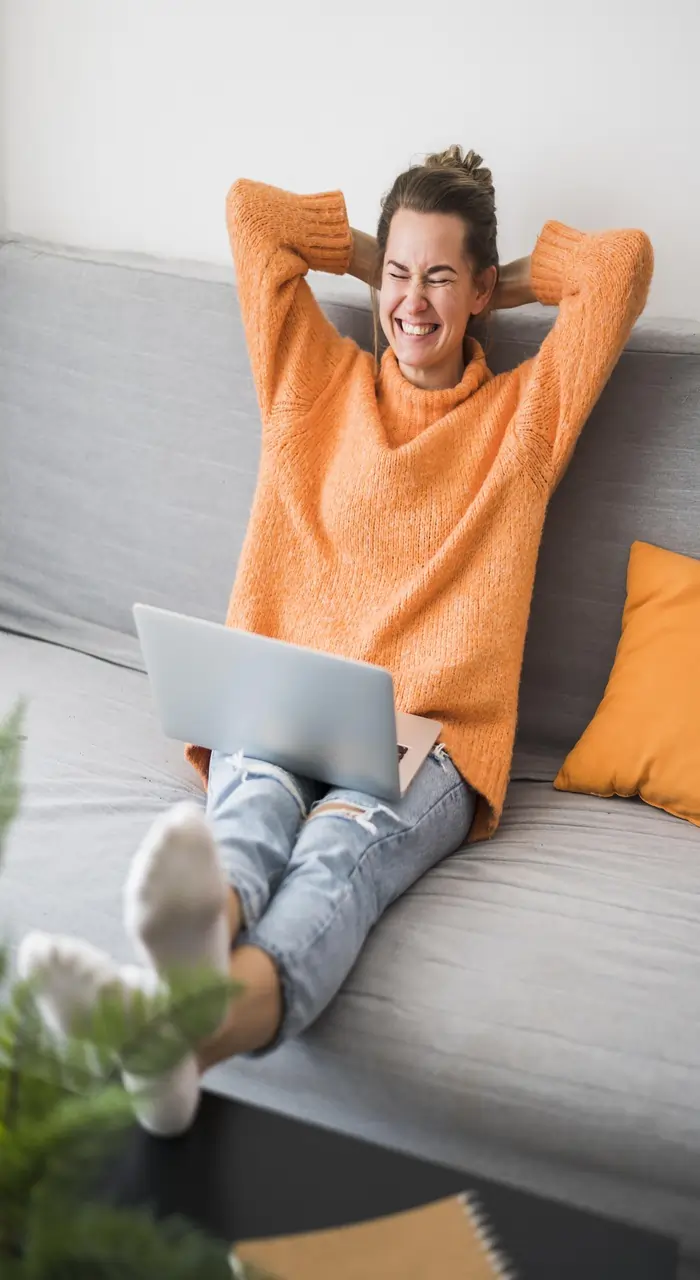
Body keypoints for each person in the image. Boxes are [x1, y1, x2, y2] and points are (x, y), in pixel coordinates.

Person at [18, 146, 653, 1137]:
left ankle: (181, 1033)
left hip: (432, 733)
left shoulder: (521, 422)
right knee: (253, 814)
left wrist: (492, 278)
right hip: (277, 705)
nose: (412, 303)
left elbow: (621, 265)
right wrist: (379, 255)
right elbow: (250, 212)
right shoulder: (310, 377)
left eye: (442, 279)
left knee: (336, 857)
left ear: (481, 290)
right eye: (398, 277)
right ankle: (177, 1027)